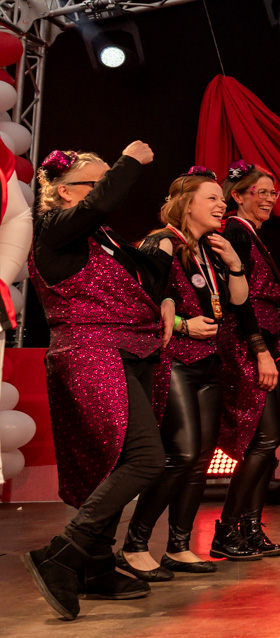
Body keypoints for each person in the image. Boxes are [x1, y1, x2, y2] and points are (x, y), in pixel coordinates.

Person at [22, 143, 163, 621]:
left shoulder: (101, 237)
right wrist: (128, 162)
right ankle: (64, 554)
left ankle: (96, 567)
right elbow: (99, 205)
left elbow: (144, 281)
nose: (108, 190)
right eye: (97, 182)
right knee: (146, 458)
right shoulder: (53, 228)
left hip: (127, 350)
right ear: (65, 193)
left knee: (112, 462)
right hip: (91, 353)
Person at [123, 167, 255, 575]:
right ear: (186, 204)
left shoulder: (209, 250)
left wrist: (235, 264)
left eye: (222, 200)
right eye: (212, 198)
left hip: (209, 362)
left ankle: (179, 546)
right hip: (174, 360)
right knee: (179, 454)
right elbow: (141, 303)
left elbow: (237, 302)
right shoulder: (162, 242)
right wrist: (182, 324)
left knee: (199, 459)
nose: (221, 206)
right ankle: (135, 544)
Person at [214, 161, 280, 559]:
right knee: (263, 440)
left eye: (273, 193)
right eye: (261, 192)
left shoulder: (252, 233)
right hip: (248, 342)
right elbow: (238, 301)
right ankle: (227, 529)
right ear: (238, 196)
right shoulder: (235, 232)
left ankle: (250, 527)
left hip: (266, 342)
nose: (269, 199)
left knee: (268, 443)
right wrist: (259, 350)